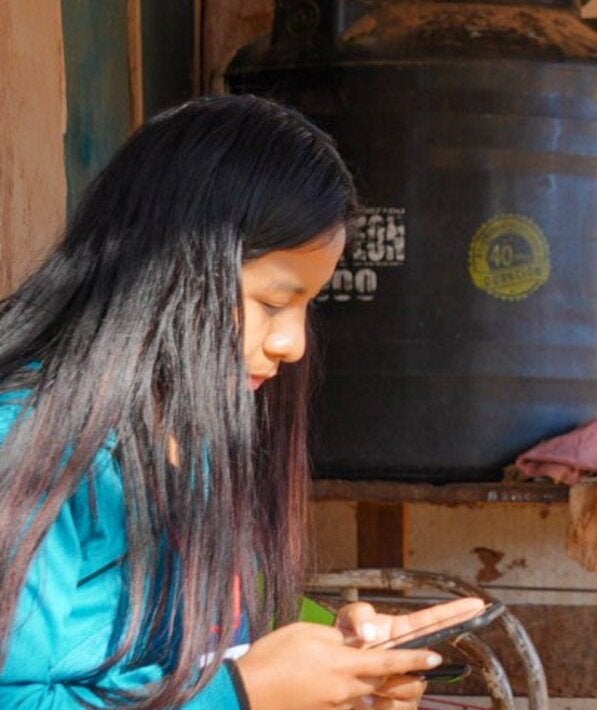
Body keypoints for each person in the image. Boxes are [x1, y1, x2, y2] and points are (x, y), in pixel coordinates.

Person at [0, 95, 478, 709]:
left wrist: (331, 666)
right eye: (273, 303)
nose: (293, 345)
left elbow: (200, 650)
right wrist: (244, 695)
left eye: (308, 307)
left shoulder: (189, 441)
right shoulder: (29, 442)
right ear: (165, 270)